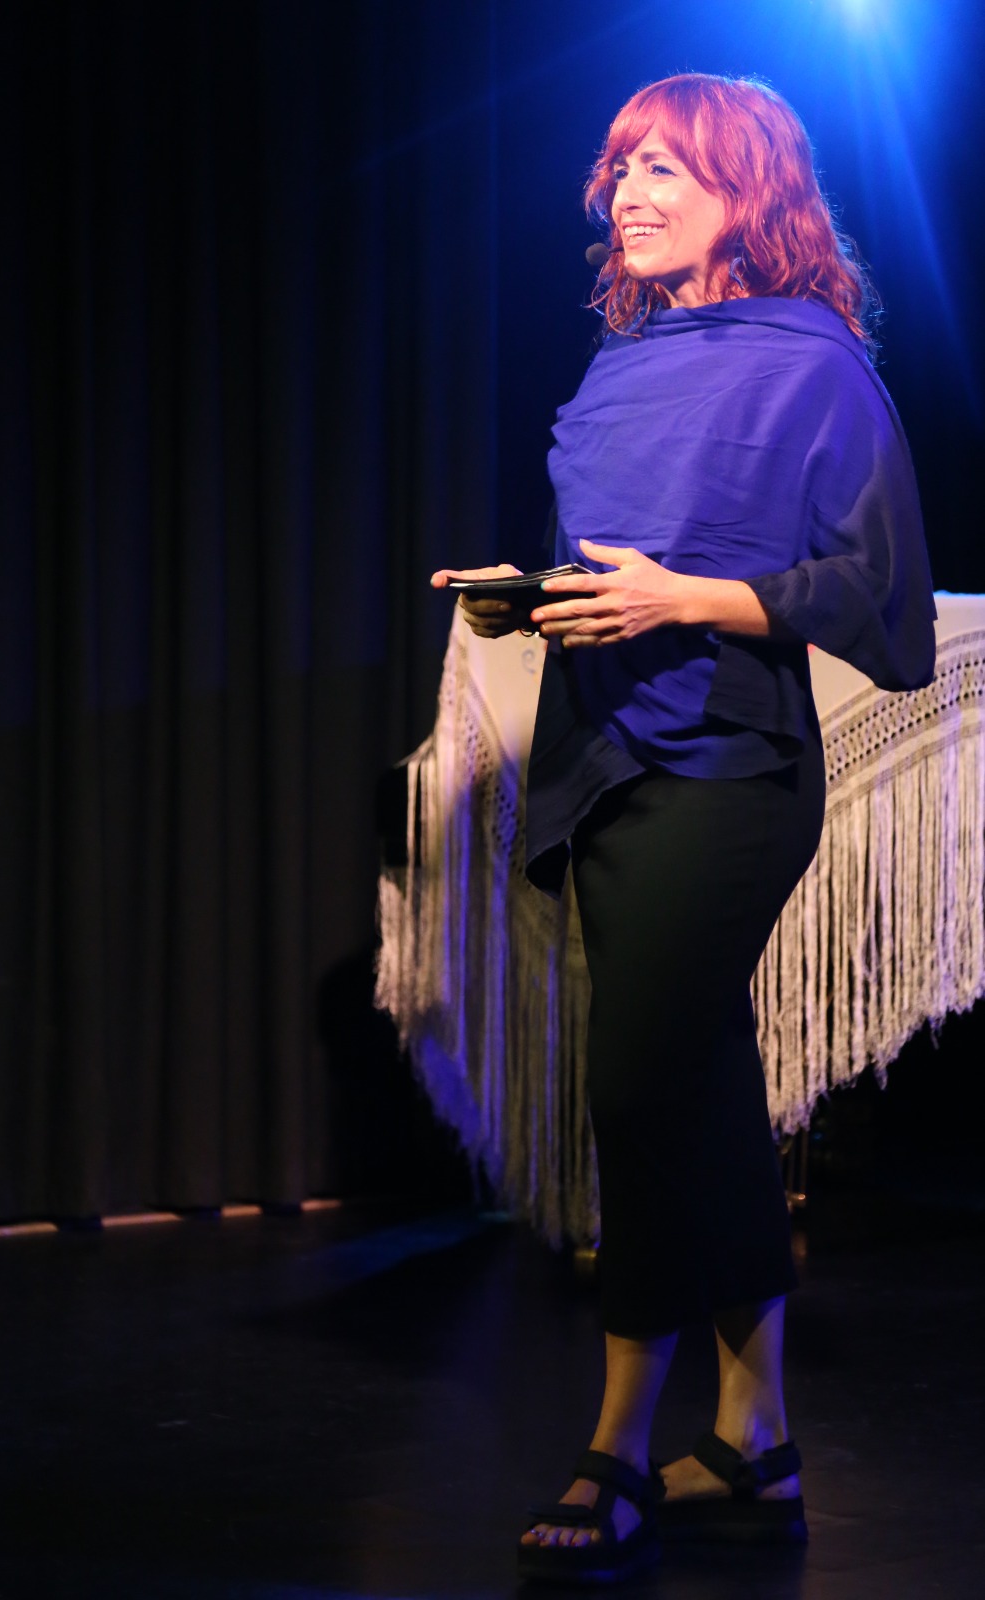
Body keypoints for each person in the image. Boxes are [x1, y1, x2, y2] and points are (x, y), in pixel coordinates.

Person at [431, 73, 935, 1587]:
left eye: (666, 167)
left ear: (744, 193)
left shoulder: (816, 366)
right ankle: (753, 1438)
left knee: (642, 1092)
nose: (629, 192)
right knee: (699, 1100)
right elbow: (617, 571)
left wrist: (680, 599)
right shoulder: (624, 364)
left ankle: (616, 1444)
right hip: (605, 764)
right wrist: (537, 599)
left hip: (727, 772)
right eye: (622, 167)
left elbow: (877, 599)